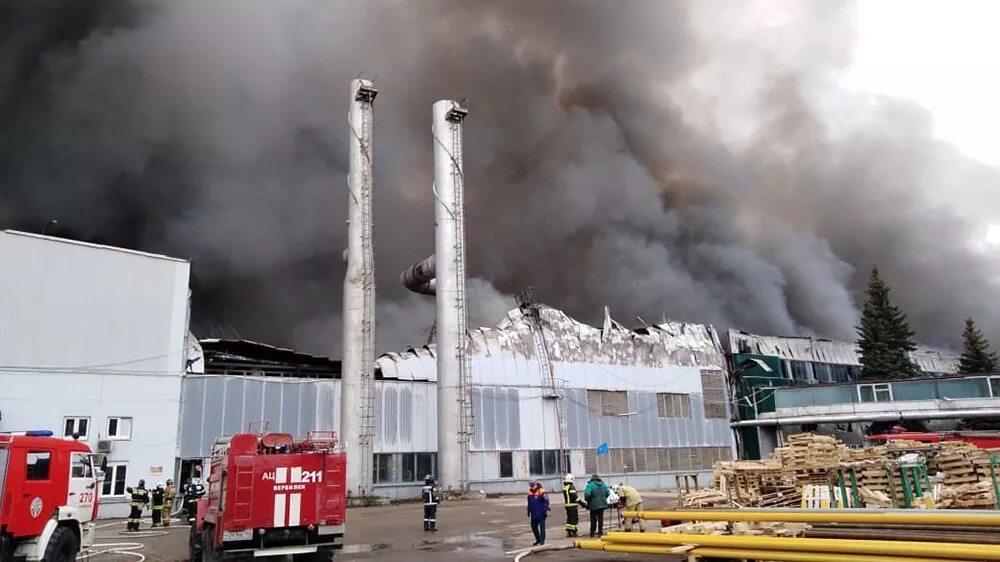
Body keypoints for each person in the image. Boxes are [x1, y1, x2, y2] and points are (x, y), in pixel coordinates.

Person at [583, 474, 610, 538]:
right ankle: (600, 533)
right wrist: (603, 498)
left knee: (593, 519)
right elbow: (608, 493)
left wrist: (588, 500)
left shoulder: (590, 485)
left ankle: (592, 533)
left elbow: (587, 494)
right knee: (600, 519)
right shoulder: (603, 484)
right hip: (602, 504)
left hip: (593, 505)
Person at [526, 481, 550, 546]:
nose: (532, 487)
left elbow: (546, 501)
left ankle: (542, 541)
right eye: (531, 486)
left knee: (542, 528)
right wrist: (528, 511)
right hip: (533, 513)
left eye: (533, 486)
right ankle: (538, 539)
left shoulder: (542, 491)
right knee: (533, 527)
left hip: (541, 513)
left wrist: (545, 510)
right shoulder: (529, 492)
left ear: (536, 485)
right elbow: (529, 503)